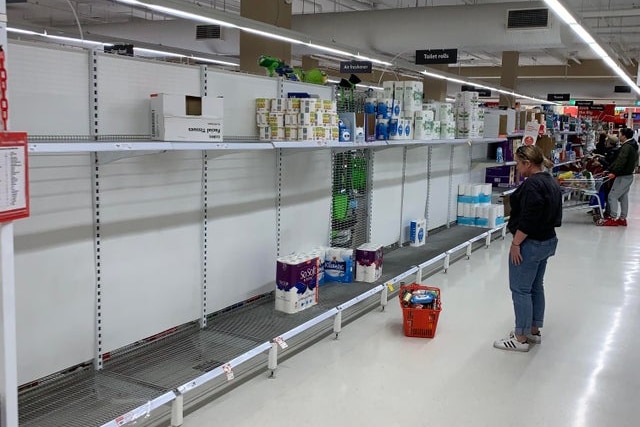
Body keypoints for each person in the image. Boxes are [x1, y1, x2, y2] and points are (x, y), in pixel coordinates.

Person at [494, 145, 563, 352]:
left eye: (517, 162)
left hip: (530, 243)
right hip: (548, 240)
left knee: (521, 289)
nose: (517, 166)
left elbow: (529, 218)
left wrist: (516, 243)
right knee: (535, 286)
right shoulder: (549, 180)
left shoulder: (533, 185)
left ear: (527, 163)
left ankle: (520, 337)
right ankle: (533, 329)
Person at [599, 128, 639, 227]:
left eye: (619, 134)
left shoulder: (626, 147)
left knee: (612, 196)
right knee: (623, 197)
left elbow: (620, 161)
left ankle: (613, 218)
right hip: (628, 175)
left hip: (622, 176)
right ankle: (622, 219)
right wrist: (609, 170)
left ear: (624, 136)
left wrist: (613, 172)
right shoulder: (633, 146)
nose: (618, 136)